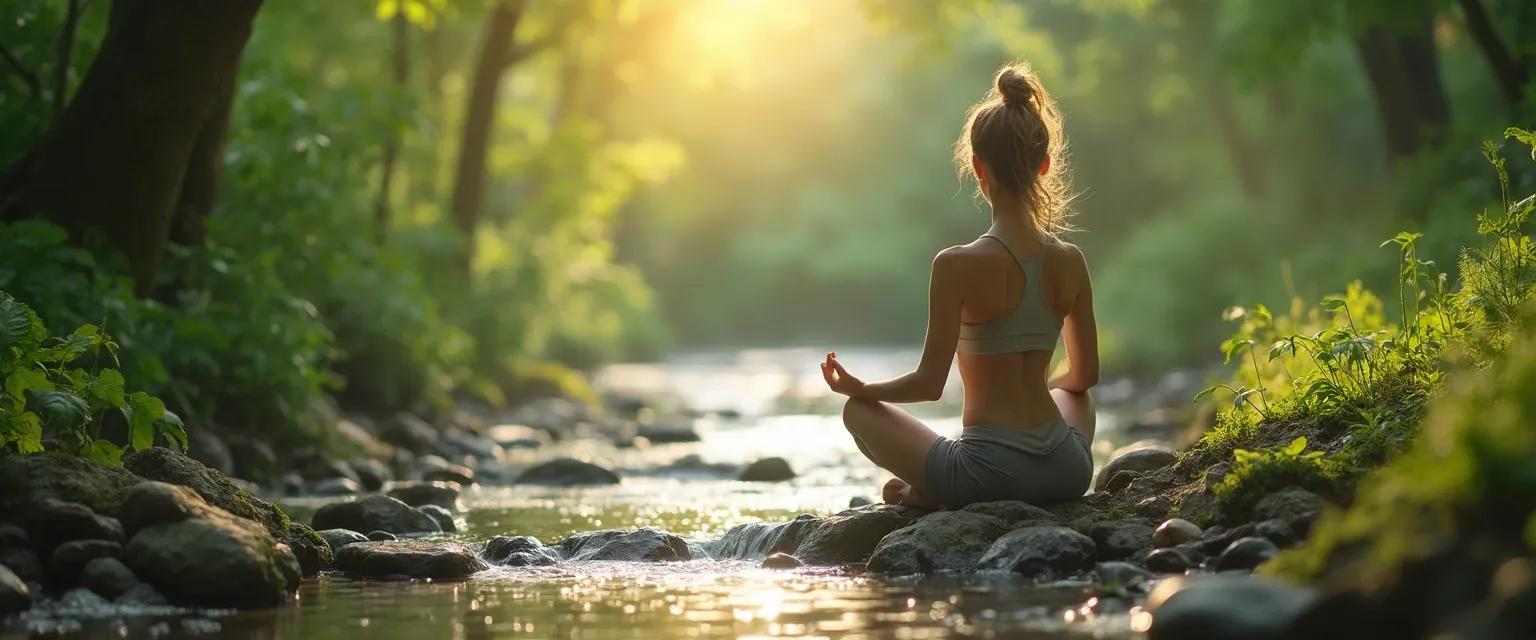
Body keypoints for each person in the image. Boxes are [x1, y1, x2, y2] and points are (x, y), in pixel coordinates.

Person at [819, 62, 1098, 509]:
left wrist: (860, 388)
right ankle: (940, 489)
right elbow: (1085, 377)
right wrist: (1042, 391)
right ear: (1044, 166)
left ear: (977, 167)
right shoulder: (1071, 260)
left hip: (986, 475)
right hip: (1067, 472)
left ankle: (930, 494)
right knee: (1073, 394)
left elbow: (929, 384)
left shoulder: (955, 264)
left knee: (858, 413)